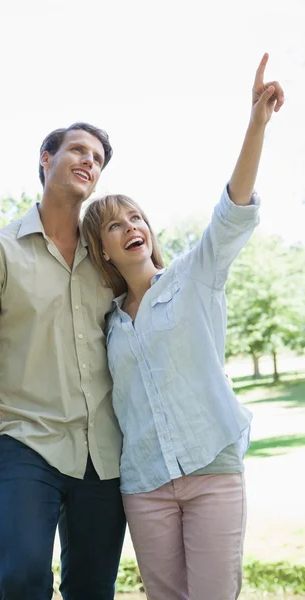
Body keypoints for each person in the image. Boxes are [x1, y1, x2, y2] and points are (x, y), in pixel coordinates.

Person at [82, 54, 284, 600]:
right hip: (144, 485)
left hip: (210, 466)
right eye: (115, 225)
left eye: (136, 217)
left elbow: (232, 208)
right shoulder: (105, 322)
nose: (131, 227)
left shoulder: (196, 275)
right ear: (100, 248)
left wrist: (255, 124)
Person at [0, 122, 126, 600]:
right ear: (46, 159)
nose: (89, 162)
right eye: (78, 150)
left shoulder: (108, 261)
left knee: (92, 589)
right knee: (21, 580)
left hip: (102, 453)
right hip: (26, 444)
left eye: (98, 160)